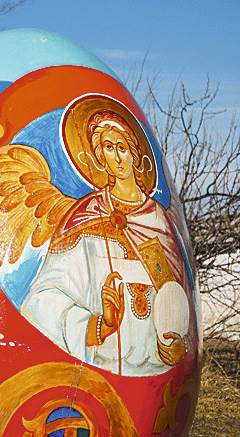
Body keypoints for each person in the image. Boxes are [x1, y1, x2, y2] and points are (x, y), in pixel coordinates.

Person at [21, 110, 191, 376]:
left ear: (134, 154)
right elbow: (41, 298)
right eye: (109, 148)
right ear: (101, 157)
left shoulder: (158, 220)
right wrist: (98, 325)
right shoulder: (88, 216)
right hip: (99, 371)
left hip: (156, 371)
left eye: (122, 147)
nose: (117, 157)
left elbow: (178, 296)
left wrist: (178, 343)